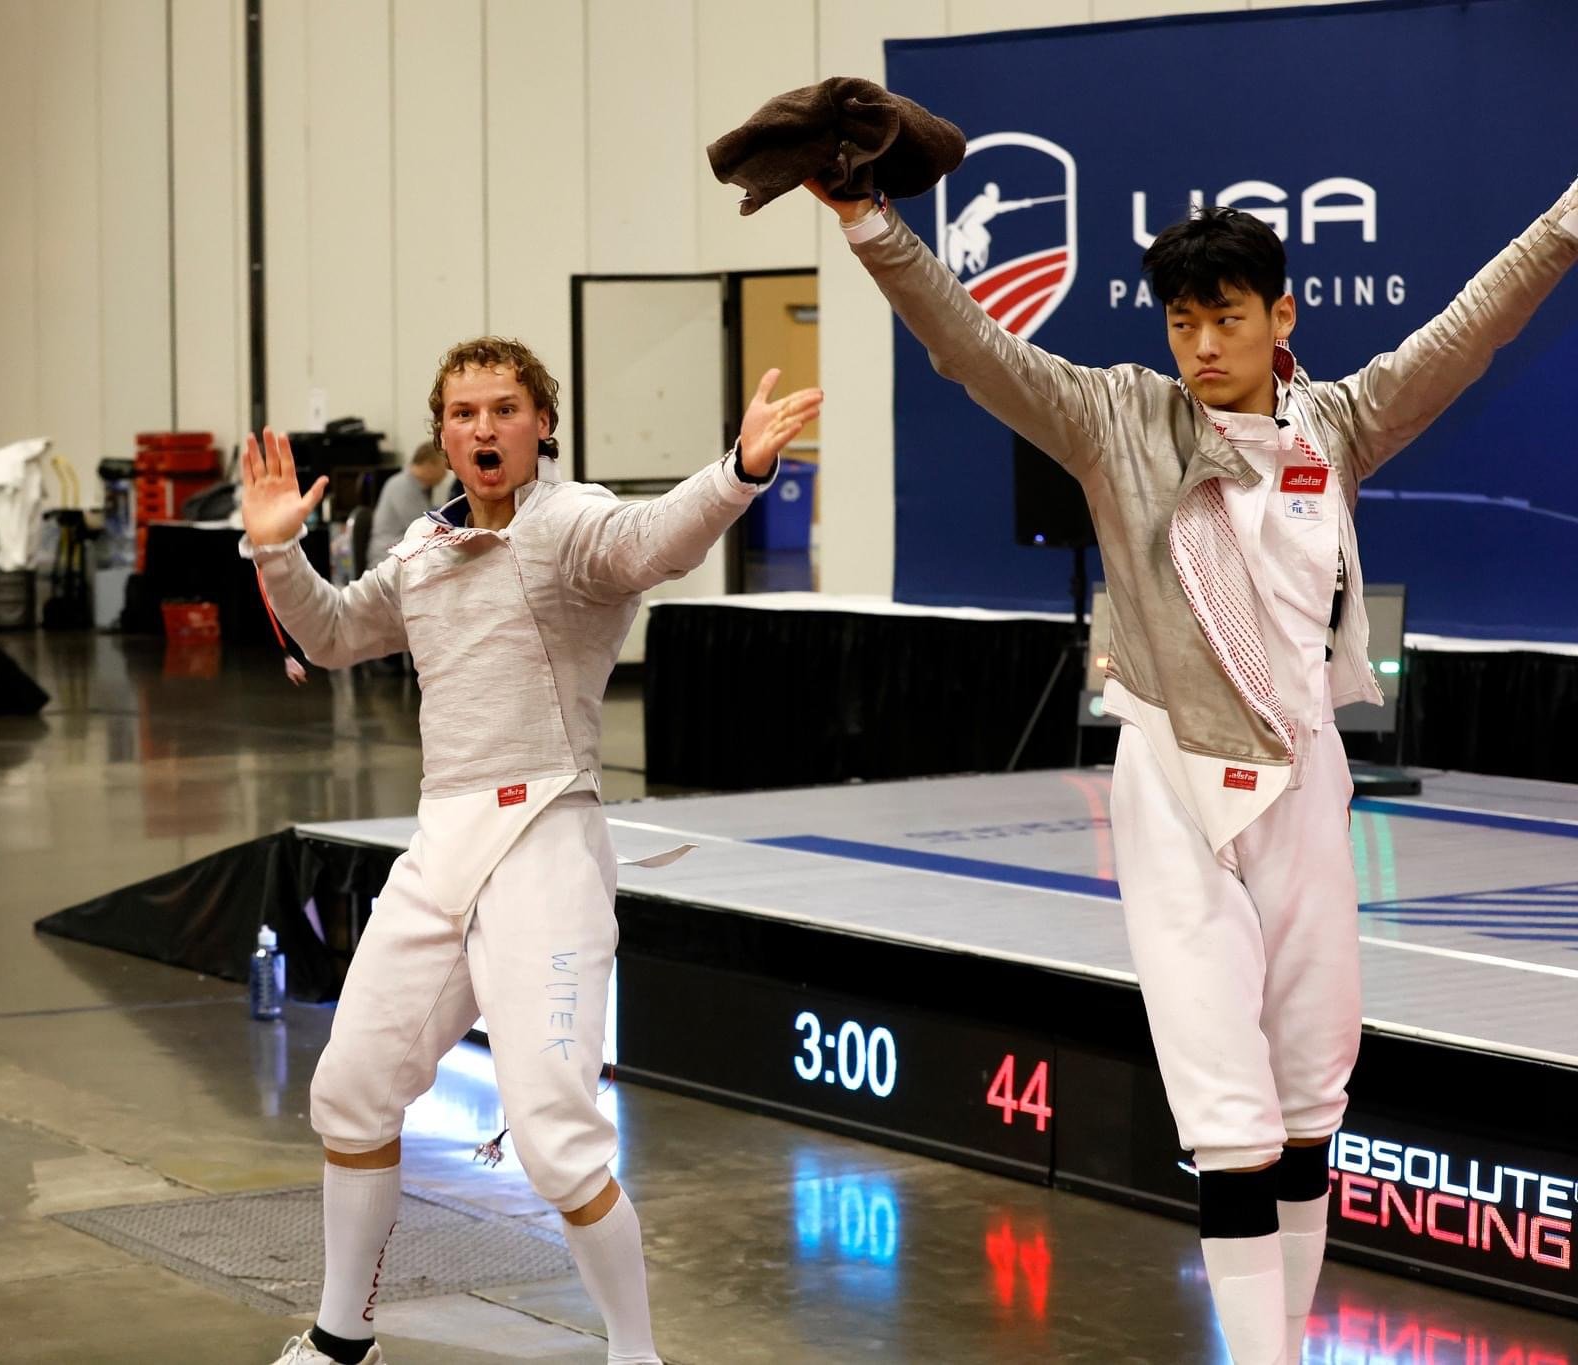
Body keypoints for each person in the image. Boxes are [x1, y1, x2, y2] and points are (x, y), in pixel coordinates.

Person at [807, 164, 1578, 1364]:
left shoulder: (1341, 421)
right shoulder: (1115, 418)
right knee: (1228, 1122)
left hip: (1305, 780)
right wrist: (868, 222)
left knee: (1310, 1106)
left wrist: (1567, 220)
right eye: (1181, 320)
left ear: (1281, 318)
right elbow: (968, 349)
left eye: (1227, 316)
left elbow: (1469, 330)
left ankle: (1288, 1344)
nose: (1201, 343)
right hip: (1173, 787)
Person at [244, 336, 819, 1365]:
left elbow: (653, 543)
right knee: (350, 1092)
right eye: (462, 413)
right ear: (442, 434)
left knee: (555, 1140)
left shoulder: (572, 526)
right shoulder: (423, 550)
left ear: (539, 423)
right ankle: (342, 1339)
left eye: (503, 409)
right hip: (441, 845)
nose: (481, 429)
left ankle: (634, 1355)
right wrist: (275, 552)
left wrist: (736, 473)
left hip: (547, 834)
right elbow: (330, 635)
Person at [363, 442, 448, 573]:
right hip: (388, 560)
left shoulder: (417, 487)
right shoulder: (403, 487)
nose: (445, 474)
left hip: (400, 556)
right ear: (429, 465)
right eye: (444, 467)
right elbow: (426, 530)